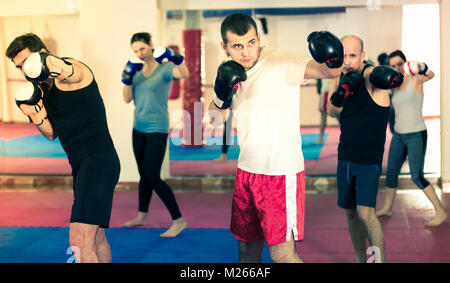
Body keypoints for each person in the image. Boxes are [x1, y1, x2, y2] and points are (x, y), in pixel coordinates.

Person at [209, 13, 343, 263]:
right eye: (237, 46)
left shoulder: (281, 61)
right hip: (246, 172)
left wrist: (335, 59)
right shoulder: (231, 72)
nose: (246, 52)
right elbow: (215, 120)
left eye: (251, 42)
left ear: (259, 38)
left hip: (280, 174)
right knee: (246, 251)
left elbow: (328, 72)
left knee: (282, 255)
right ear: (224, 47)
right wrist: (221, 92)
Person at [6, 33, 120, 263]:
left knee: (79, 241)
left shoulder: (72, 73)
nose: (24, 71)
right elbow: (51, 133)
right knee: (96, 238)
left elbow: (71, 71)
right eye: (19, 67)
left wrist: (49, 63)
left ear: (42, 54)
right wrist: (32, 113)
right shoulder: (44, 90)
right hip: (82, 167)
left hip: (98, 162)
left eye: (27, 62)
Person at [326, 35, 403, 263]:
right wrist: (335, 77)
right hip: (345, 158)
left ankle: (377, 262)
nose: (347, 61)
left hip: (368, 162)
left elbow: (377, 75)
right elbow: (332, 111)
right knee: (350, 214)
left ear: (363, 55)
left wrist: (379, 72)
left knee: (366, 214)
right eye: (343, 56)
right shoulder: (342, 78)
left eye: (352, 55)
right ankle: (362, 260)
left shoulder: (372, 80)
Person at [121, 32, 189, 237]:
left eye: (142, 48)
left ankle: (179, 220)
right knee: (144, 175)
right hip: (138, 128)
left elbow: (183, 73)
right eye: (135, 51)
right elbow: (126, 98)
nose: (139, 53)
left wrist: (177, 57)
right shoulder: (138, 71)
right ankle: (142, 216)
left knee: (153, 175)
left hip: (157, 129)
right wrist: (127, 77)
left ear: (151, 45)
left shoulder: (165, 68)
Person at [376, 50, 447, 226]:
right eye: (392, 66)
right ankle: (387, 207)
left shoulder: (415, 80)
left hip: (416, 134)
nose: (396, 68)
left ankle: (440, 212)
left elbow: (430, 75)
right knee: (391, 173)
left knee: (416, 176)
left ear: (405, 63)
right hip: (398, 135)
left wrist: (421, 65)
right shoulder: (393, 86)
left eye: (399, 64)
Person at [313, 78, 330, 144]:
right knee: (339, 116)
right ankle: (320, 138)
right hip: (329, 90)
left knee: (323, 116)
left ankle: (320, 139)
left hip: (326, 91)